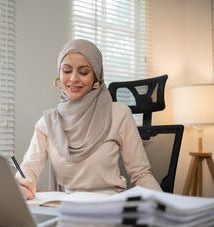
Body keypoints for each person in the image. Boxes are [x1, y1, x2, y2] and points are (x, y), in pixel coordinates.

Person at [16, 39, 162, 200]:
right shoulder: (47, 122)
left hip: (111, 205)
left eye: (83, 72)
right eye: (66, 71)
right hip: (68, 207)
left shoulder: (119, 114)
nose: (73, 79)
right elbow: (29, 167)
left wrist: (165, 206)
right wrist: (21, 183)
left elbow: (141, 174)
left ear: (96, 77)